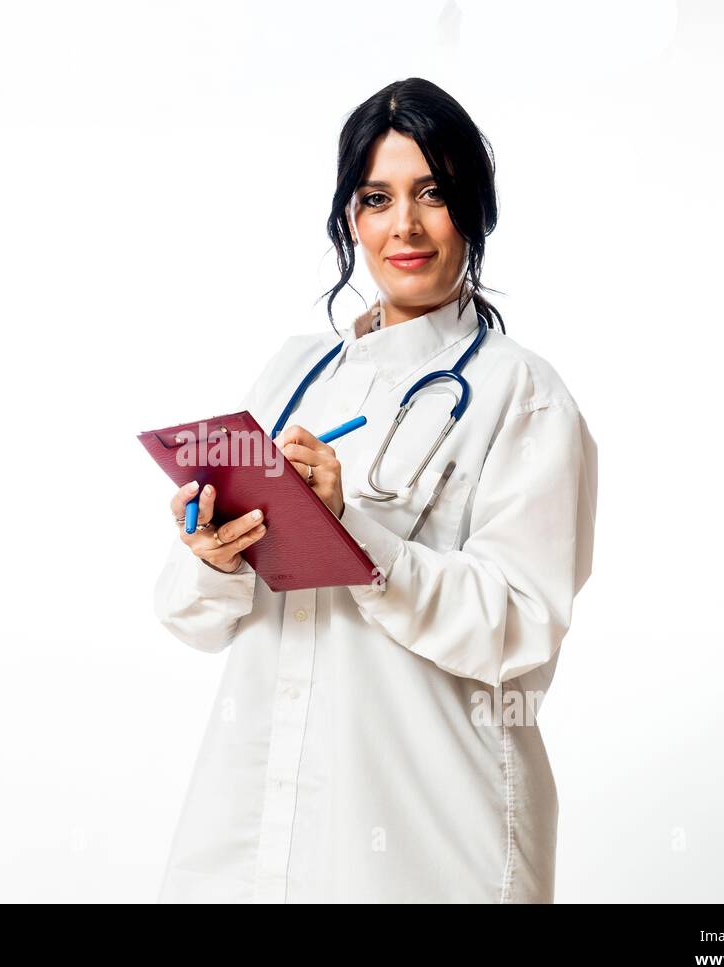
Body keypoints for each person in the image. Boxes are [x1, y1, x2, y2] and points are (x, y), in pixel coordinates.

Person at [151, 77, 598, 903]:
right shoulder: (294, 373)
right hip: (259, 820)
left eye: (434, 193)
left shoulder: (520, 394)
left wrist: (353, 530)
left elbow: (519, 625)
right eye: (377, 197)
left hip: (429, 833)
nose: (406, 226)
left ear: (476, 209)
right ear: (349, 217)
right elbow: (195, 619)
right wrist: (214, 557)